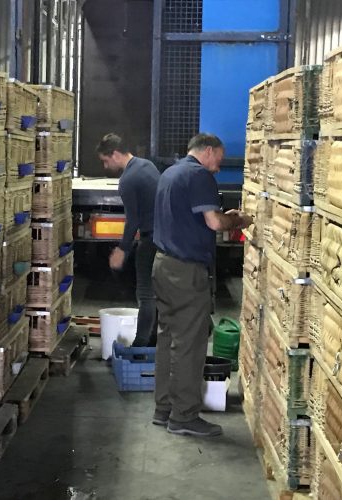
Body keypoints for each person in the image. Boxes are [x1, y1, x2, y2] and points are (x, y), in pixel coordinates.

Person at [152, 133, 253, 437]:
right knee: (190, 344)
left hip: (163, 264)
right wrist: (239, 220)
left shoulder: (170, 173)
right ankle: (184, 416)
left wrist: (223, 217)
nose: (218, 167)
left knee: (168, 338)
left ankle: (164, 408)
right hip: (186, 272)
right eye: (218, 160)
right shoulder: (199, 176)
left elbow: (191, 217)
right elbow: (215, 223)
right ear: (208, 151)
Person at [96, 133, 160, 347]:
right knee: (159, 293)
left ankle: (140, 346)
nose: (106, 166)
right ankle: (153, 341)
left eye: (106, 161)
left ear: (115, 154)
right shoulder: (147, 165)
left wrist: (122, 250)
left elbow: (133, 220)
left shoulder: (127, 179)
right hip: (165, 238)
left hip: (151, 240)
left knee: (145, 294)